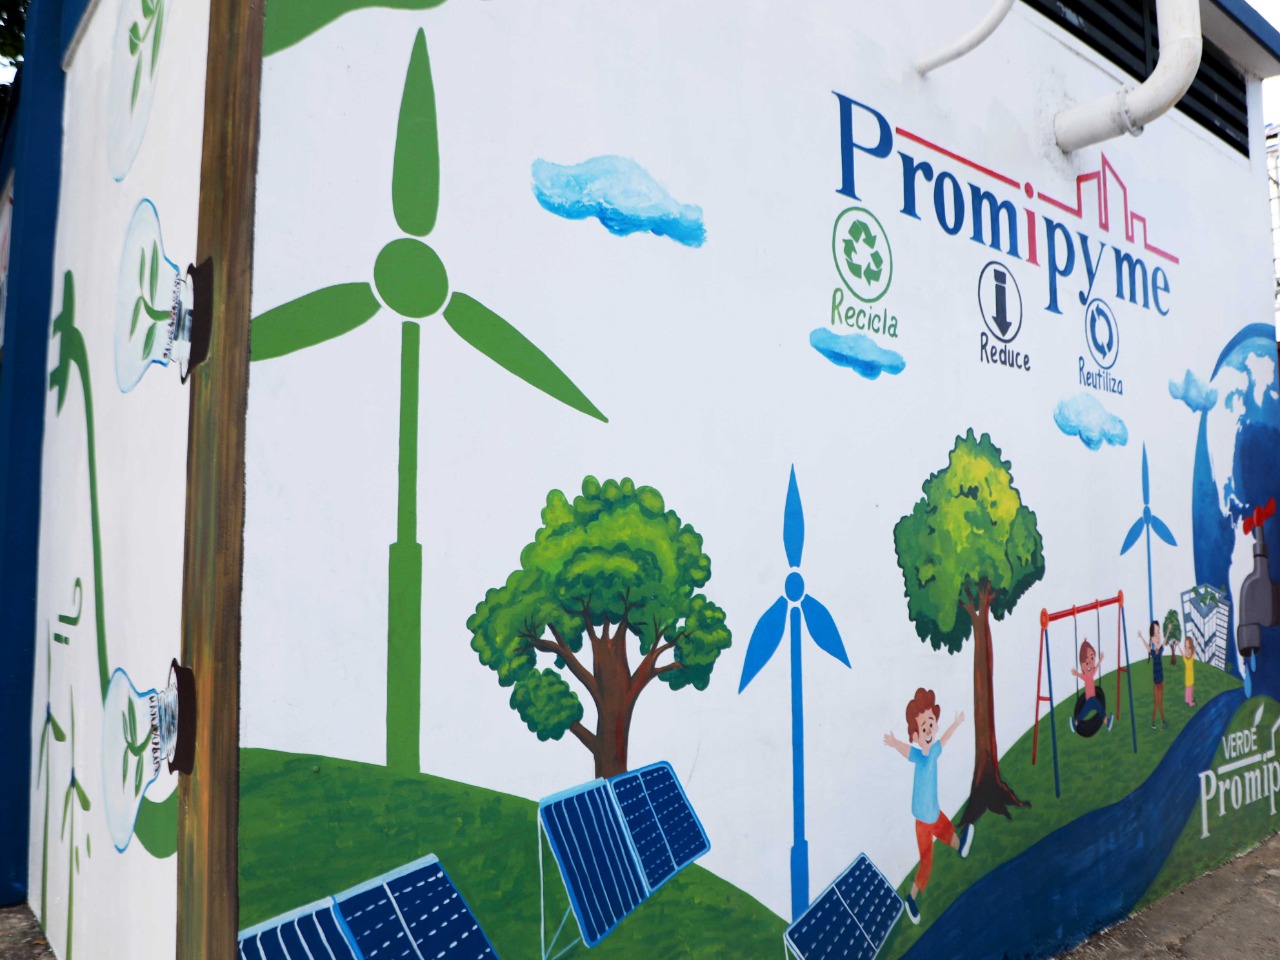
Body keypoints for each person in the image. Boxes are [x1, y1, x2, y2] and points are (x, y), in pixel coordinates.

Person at [883, 687, 975, 924]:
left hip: (932, 814)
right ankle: (911, 898)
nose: (928, 731)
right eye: (923, 728)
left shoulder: (933, 752)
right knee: (927, 860)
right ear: (915, 735)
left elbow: (945, 739)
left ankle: (960, 847)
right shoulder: (920, 755)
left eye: (931, 725)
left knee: (945, 835)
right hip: (925, 819)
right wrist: (894, 743)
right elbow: (906, 750)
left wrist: (956, 723)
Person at [1069, 639, 1114, 733]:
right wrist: (1076, 673)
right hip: (1090, 699)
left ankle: (1107, 722)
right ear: (1082, 665)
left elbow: (1096, 668)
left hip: (1092, 699)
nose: (1090, 663)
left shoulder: (1091, 674)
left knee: (1095, 710)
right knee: (1087, 712)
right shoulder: (1086, 676)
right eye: (1086, 662)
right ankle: (1075, 724)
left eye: (1092, 658)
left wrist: (1100, 660)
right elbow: (1081, 675)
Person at [1146, 620, 1167, 730]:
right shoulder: (1153, 654)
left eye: (1159, 632)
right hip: (1156, 682)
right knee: (1156, 704)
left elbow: (1164, 641)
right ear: (1152, 639)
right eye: (1155, 634)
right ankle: (1154, 722)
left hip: (1160, 682)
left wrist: (1168, 631)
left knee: (1159, 704)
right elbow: (1148, 647)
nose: (1158, 636)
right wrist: (1141, 637)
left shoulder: (1160, 650)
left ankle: (1163, 722)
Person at [1184, 636, 1196, 708]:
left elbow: (1194, 651)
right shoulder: (1186, 660)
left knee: (1190, 690)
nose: (1188, 651)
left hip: (1191, 680)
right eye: (1186, 648)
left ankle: (1187, 699)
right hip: (1188, 681)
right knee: (1189, 690)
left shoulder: (1191, 659)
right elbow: (1182, 653)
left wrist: (1197, 642)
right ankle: (1190, 702)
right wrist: (1178, 645)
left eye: (1189, 648)